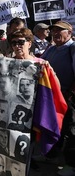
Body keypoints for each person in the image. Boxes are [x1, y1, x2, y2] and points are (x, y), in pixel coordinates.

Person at [41, 20, 75, 175]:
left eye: (60, 30)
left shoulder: (72, 48)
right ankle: (52, 155)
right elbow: (40, 63)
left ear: (69, 32)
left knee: (71, 129)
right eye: (53, 30)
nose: (55, 33)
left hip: (69, 97)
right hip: (52, 97)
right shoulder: (51, 48)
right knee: (55, 126)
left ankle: (71, 164)